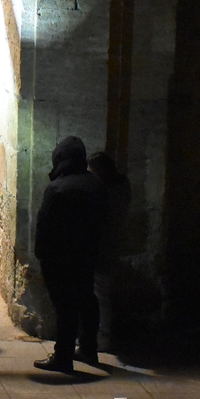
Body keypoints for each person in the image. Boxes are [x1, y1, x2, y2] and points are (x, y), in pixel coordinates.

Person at [33, 135, 107, 373]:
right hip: (87, 254)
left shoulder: (57, 189)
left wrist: (41, 254)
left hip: (60, 258)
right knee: (87, 300)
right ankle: (88, 348)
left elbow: (45, 225)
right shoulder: (96, 185)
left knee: (65, 307)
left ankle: (63, 356)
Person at [89, 151, 130, 354]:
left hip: (102, 248)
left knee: (101, 294)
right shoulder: (122, 187)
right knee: (100, 293)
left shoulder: (105, 193)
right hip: (112, 247)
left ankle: (103, 336)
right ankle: (99, 334)